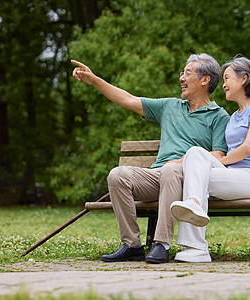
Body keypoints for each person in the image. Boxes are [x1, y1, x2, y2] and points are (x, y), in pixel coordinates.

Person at [71, 53, 230, 264]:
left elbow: (218, 156)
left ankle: (161, 244)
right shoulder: (170, 107)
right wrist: (95, 80)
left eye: (188, 73)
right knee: (117, 175)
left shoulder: (219, 116)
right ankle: (132, 246)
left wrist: (181, 162)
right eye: (182, 73)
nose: (182, 78)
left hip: (188, 181)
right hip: (158, 176)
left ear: (205, 79)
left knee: (170, 170)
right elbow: (128, 99)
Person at [170, 56, 250, 263]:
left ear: (243, 79)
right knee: (195, 155)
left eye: (227, 78)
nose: (223, 84)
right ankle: (195, 221)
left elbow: (248, 147)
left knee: (196, 169)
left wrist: (220, 162)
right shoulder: (234, 116)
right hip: (233, 176)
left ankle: (196, 240)